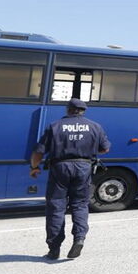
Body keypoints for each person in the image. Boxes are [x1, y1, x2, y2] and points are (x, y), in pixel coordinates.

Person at [30, 98, 110, 259]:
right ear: (83, 111)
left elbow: (38, 152)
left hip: (60, 167)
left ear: (68, 109)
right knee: (80, 204)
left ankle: (54, 248)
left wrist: (34, 167)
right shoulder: (95, 126)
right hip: (83, 167)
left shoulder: (55, 126)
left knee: (56, 206)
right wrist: (87, 150)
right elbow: (105, 149)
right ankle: (79, 238)